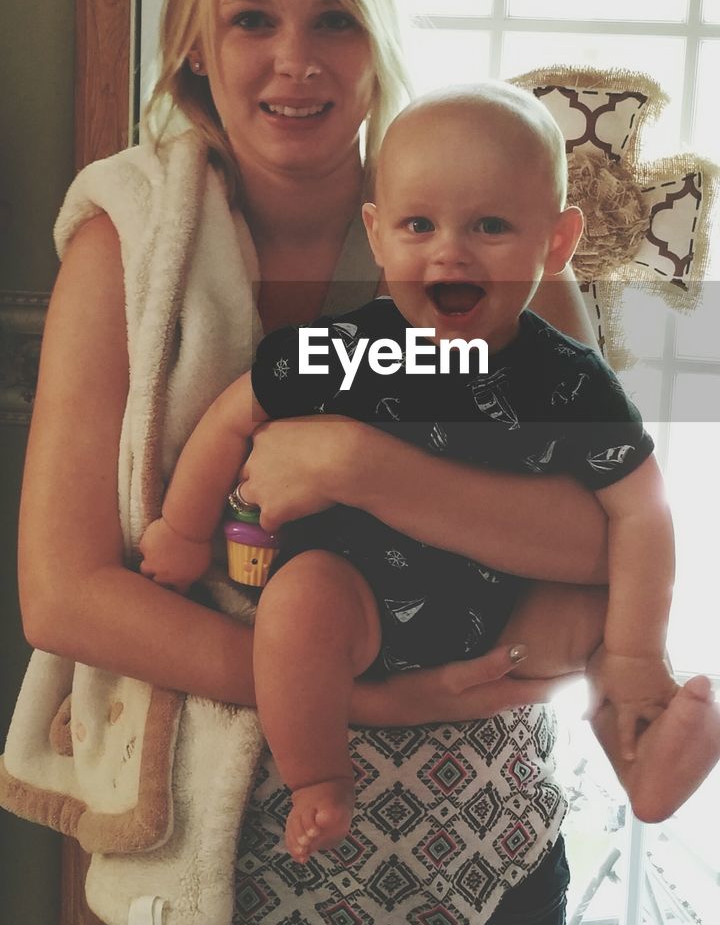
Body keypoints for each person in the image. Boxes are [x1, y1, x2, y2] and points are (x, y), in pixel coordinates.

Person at [20, 0, 625, 925]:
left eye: (333, 18)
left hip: (478, 872)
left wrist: (363, 465)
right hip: (219, 909)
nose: (295, 58)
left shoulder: (485, 232)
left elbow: (605, 536)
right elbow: (62, 592)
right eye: (253, 18)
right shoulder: (124, 250)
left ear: (376, 36)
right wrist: (357, 699)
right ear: (197, 42)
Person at [139, 81, 720, 866]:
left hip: (505, 614)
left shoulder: (569, 379)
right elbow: (233, 417)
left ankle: (641, 756)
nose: (451, 252)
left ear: (554, 243)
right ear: (377, 237)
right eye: (419, 225)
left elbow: (643, 511)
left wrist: (637, 654)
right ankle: (319, 778)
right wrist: (180, 529)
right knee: (298, 609)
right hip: (360, 600)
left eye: (490, 226)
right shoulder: (345, 348)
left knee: (602, 611)